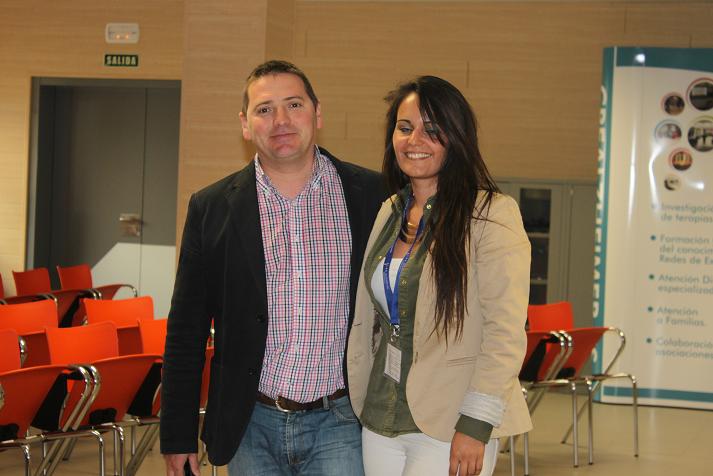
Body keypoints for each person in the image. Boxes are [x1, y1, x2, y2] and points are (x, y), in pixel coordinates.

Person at [160, 60, 385, 475]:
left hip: (341, 421)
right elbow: (186, 330)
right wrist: (178, 434)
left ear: (317, 114)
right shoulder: (212, 208)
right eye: (264, 109)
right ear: (245, 125)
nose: (280, 120)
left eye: (294, 105)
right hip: (250, 423)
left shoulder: (373, 195)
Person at [347, 76, 532, 476]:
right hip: (380, 414)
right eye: (405, 127)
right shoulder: (389, 210)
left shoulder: (491, 215)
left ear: (457, 139)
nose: (415, 140)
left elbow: (505, 332)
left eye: (432, 130)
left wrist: (476, 423)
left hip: (452, 420)